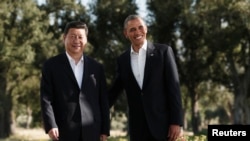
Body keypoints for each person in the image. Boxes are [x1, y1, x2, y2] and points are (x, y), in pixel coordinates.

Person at [109, 14, 183, 141]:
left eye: (140, 27)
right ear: (126, 33)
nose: (137, 32)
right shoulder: (122, 60)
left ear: (146, 29)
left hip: (163, 127)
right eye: (132, 29)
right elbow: (114, 91)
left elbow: (174, 89)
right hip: (138, 129)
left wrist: (176, 122)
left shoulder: (164, 52)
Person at [40, 21, 110, 141]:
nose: (76, 40)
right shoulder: (51, 66)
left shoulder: (97, 67)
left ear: (86, 40)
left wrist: (105, 129)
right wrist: (51, 125)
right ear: (64, 38)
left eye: (80, 37)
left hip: (93, 130)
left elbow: (103, 100)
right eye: (72, 36)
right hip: (63, 130)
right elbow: (46, 98)